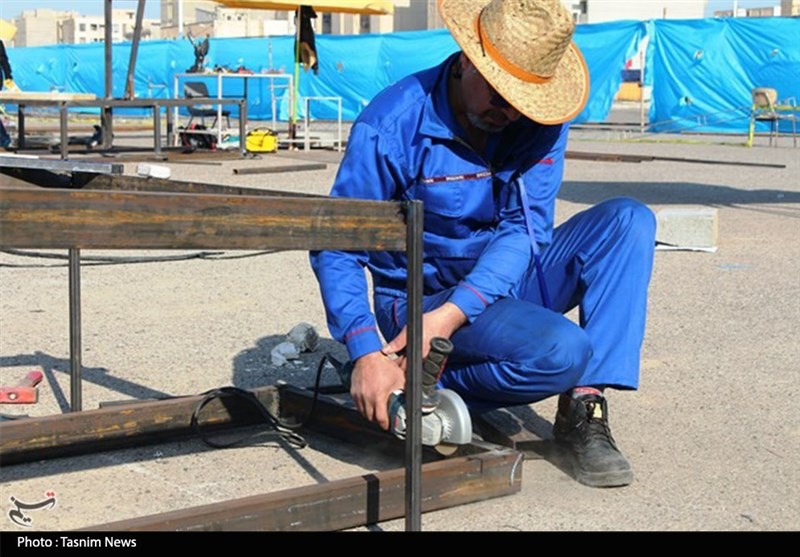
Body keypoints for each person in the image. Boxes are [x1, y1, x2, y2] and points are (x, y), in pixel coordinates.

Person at [309, 0, 656, 488]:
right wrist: (366, 352)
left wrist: (449, 320)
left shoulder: (537, 120)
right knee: (562, 349)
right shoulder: (392, 126)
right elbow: (337, 245)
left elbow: (522, 231)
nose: (509, 111)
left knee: (627, 222)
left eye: (522, 101)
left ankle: (583, 405)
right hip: (417, 300)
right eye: (499, 94)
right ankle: (414, 384)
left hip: (493, 288)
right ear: (468, 59)